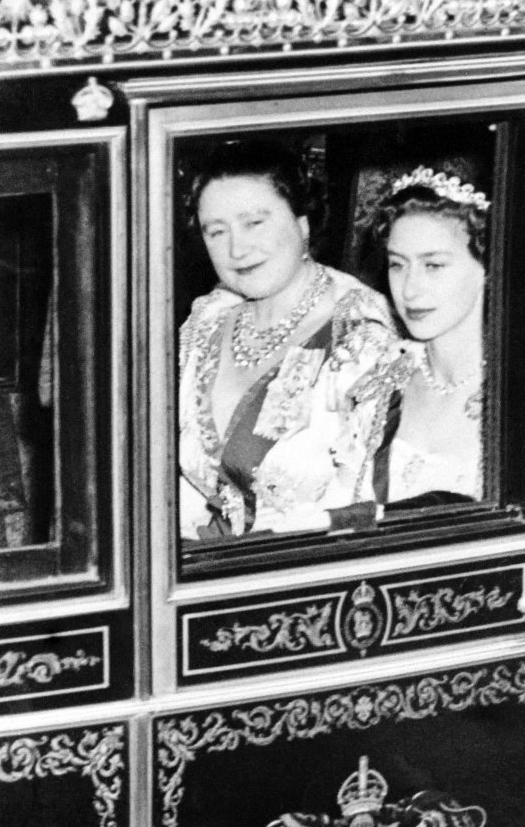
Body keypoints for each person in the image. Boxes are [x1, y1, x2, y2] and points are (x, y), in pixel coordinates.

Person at [178, 139, 402, 541]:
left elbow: (364, 506)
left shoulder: (359, 333)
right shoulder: (208, 321)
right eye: (216, 231)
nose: (236, 248)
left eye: (254, 223)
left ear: (303, 223)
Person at [371, 167, 489, 504]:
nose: (410, 289)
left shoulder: (518, 393)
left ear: (487, 267)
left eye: (433, 265)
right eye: (397, 264)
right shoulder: (381, 373)